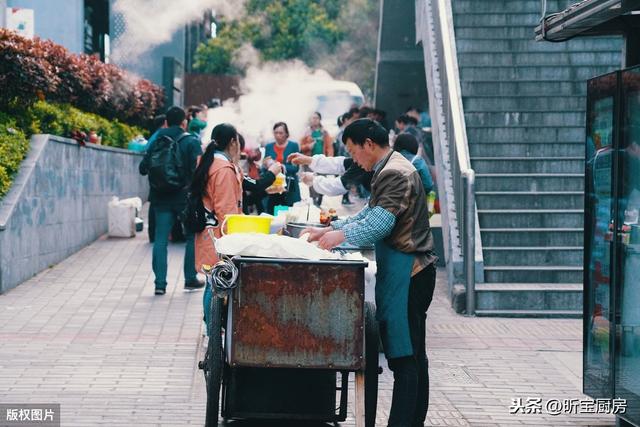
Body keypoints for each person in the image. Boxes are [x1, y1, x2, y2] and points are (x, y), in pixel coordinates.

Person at [304, 118, 437, 427]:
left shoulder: (394, 172)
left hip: (410, 272)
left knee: (405, 358)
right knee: (414, 355)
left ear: (369, 144)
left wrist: (338, 237)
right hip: (408, 270)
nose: (354, 159)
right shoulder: (391, 166)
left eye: (354, 151)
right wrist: (331, 228)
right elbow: (369, 213)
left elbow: (379, 224)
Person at [139, 106, 204, 295]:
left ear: (166, 121)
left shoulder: (156, 139)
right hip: (184, 197)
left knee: (160, 239)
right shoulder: (191, 141)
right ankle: (190, 279)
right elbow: (198, 170)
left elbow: (143, 168)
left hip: (160, 197)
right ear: (184, 122)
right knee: (191, 236)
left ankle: (160, 284)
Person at [190, 123, 244, 327]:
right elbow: (227, 210)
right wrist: (235, 241)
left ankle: (209, 329)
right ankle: (211, 332)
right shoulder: (222, 170)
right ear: (232, 142)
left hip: (208, 232)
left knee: (211, 282)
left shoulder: (210, 163)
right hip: (218, 236)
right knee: (214, 284)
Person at [263, 122, 301, 214]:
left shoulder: (293, 146)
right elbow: (264, 165)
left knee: (285, 214)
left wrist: (281, 167)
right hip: (272, 185)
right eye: (276, 133)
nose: (278, 135)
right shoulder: (269, 147)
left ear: (286, 134)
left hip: (287, 185)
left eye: (281, 133)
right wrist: (267, 164)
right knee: (271, 212)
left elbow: (295, 168)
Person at [142, 114, 168, 243]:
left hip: (156, 179)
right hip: (165, 179)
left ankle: (153, 236)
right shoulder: (161, 135)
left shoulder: (156, 136)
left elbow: (146, 152)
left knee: (154, 206)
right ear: (164, 123)